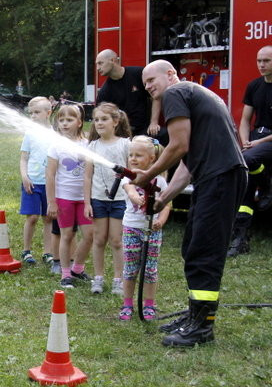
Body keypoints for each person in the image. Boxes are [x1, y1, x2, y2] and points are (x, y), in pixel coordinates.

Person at [134, 60, 246, 347]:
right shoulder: (195, 94)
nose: (148, 87)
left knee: (204, 252)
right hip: (218, 177)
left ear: (171, 74)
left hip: (219, 177)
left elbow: (178, 145)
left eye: (152, 79)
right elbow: (187, 162)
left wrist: (147, 175)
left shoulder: (176, 92)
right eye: (145, 83)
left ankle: (202, 327)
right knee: (193, 247)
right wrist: (163, 198)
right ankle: (195, 316)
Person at [119, 136, 172, 321]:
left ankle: (149, 305)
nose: (133, 158)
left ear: (151, 158)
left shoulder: (160, 182)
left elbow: (166, 204)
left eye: (138, 155)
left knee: (150, 270)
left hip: (152, 231)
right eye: (131, 155)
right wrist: (135, 197)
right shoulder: (129, 177)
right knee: (130, 268)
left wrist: (161, 221)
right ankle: (127, 304)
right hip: (131, 228)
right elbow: (130, 189)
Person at [227, 45, 272, 257]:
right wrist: (245, 140)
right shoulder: (254, 86)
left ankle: (267, 186)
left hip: (268, 140)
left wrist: (257, 143)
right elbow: (245, 120)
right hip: (255, 141)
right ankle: (240, 238)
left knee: (246, 161)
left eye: (267, 61)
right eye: (259, 60)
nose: (262, 65)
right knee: (246, 179)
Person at [83, 103, 131, 295]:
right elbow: (87, 176)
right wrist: (87, 203)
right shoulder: (92, 146)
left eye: (104, 119)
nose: (99, 123)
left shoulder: (125, 144)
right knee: (99, 239)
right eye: (96, 120)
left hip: (120, 200)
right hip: (98, 200)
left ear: (116, 122)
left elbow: (132, 173)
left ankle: (119, 280)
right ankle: (98, 278)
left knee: (117, 241)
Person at [46, 103, 93, 288]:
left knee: (89, 235)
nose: (65, 123)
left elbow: (90, 174)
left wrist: (89, 200)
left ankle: (78, 269)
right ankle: (65, 274)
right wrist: (51, 202)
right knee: (67, 235)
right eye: (61, 120)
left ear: (80, 122)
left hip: (84, 199)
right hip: (63, 198)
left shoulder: (87, 145)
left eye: (70, 120)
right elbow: (50, 175)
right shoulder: (56, 146)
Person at [95, 49, 162, 140]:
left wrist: (154, 122)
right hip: (123, 136)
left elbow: (156, 96)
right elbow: (99, 116)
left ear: (112, 60)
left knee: (163, 137)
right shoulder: (104, 92)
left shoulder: (139, 73)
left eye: (100, 63)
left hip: (146, 130)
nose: (97, 68)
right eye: (97, 64)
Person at [19, 97, 54, 267]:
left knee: (48, 218)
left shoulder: (56, 135)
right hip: (32, 182)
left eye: (37, 112)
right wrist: (24, 176)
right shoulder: (30, 134)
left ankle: (48, 252)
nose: (33, 116)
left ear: (48, 113)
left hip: (50, 184)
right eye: (31, 113)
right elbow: (23, 158)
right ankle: (26, 250)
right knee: (32, 217)